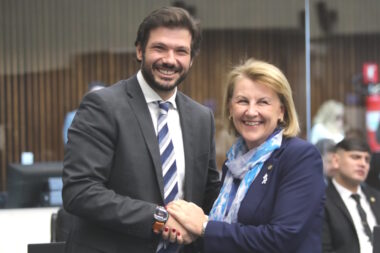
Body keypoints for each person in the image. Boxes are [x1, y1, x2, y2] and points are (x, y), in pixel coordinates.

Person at [62, 6, 221, 253]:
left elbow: (209, 193)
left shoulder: (202, 118)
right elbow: (80, 191)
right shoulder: (103, 106)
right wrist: (159, 219)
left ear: (191, 59)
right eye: (160, 48)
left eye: (181, 51)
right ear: (139, 50)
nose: (170, 60)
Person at [166, 59, 326, 253]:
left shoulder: (300, 157)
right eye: (242, 101)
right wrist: (190, 232)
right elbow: (228, 233)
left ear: (281, 112)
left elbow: (281, 239)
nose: (251, 112)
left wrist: (204, 227)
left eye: (263, 102)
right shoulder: (235, 161)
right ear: (230, 109)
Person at [322, 138, 380, 253]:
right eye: (355, 157)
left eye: (367, 160)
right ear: (335, 160)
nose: (363, 164)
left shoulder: (377, 197)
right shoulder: (322, 201)